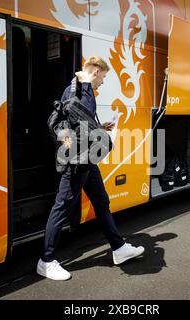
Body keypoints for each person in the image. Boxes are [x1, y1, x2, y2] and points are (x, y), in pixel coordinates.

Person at [37, 56, 145, 281]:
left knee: (101, 201)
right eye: (103, 77)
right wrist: (86, 85)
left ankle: (118, 248)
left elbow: (81, 122)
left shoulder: (80, 91)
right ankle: (46, 261)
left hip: (86, 160)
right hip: (76, 162)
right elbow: (81, 118)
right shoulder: (77, 89)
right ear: (95, 72)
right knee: (62, 207)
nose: (103, 82)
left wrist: (100, 126)